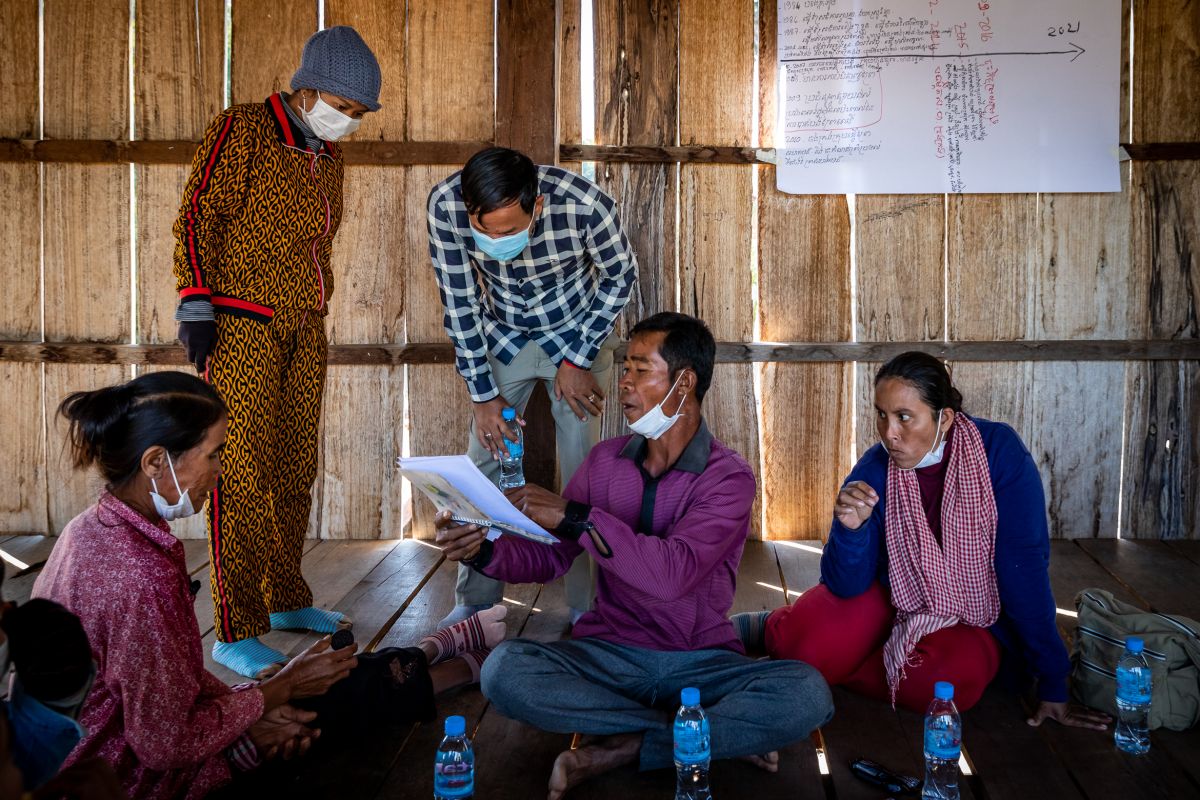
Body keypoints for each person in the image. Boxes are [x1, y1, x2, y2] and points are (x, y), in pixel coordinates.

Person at [33, 372, 508, 799]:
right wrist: (271, 701)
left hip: (124, 744)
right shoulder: (139, 576)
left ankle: (431, 651)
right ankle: (458, 665)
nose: (220, 472)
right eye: (213, 454)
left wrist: (254, 700)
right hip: (132, 779)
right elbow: (163, 746)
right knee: (328, 704)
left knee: (320, 679)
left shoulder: (90, 529)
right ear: (157, 461)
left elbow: (162, 682)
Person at [434, 313, 833, 799]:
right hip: (608, 657)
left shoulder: (728, 478)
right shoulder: (605, 462)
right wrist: (483, 549)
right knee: (503, 672)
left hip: (701, 663)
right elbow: (552, 559)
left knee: (807, 692)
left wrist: (576, 516)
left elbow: (672, 575)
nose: (623, 383)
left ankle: (620, 748)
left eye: (640, 370)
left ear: (684, 382)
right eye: (624, 369)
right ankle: (698, 735)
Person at [739, 352, 1111, 729]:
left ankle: (819, 669)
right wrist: (851, 530)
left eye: (904, 417)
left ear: (944, 418)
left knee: (943, 688)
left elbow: (1023, 570)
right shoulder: (875, 468)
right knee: (805, 648)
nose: (889, 433)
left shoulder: (998, 454)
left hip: (974, 613)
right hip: (896, 596)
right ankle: (777, 631)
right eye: (882, 414)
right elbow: (844, 584)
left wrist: (1052, 679)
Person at [171, 25, 384, 677]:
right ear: (310, 87)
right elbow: (198, 215)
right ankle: (237, 627)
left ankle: (286, 595)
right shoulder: (242, 130)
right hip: (240, 324)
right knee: (240, 471)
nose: (346, 122)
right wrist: (195, 300)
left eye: (356, 115)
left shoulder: (327, 153)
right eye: (342, 107)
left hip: (304, 325)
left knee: (295, 464)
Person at [427, 146, 638, 627]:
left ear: (536, 206)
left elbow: (620, 275)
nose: (494, 240)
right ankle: (477, 600)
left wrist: (578, 358)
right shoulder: (445, 206)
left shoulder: (584, 205)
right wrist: (482, 394)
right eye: (484, 230)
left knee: (586, 470)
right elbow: (459, 302)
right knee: (484, 461)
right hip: (503, 336)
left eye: (508, 230)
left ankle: (588, 606)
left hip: (578, 332)